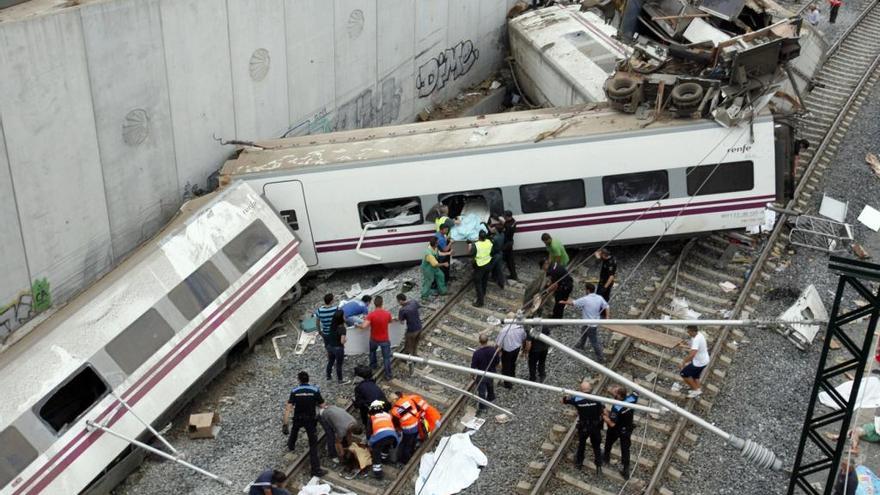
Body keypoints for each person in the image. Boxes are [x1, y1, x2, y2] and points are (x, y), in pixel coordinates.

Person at [282, 371, 326, 477]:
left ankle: (291, 446)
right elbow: (322, 405)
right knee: (313, 445)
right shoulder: (315, 390)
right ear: (308, 379)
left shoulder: (295, 391)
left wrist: (285, 423)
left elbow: (289, 408)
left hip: (298, 418)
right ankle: (315, 470)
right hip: (310, 420)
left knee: (294, 431)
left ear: (299, 380)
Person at [563, 380, 605, 475]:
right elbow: (602, 409)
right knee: (596, 446)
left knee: (582, 444)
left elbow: (563, 400)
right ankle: (598, 467)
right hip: (595, 427)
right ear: (590, 389)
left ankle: (579, 463)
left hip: (584, 427)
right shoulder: (596, 399)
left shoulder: (577, 399)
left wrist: (568, 395)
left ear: (581, 390)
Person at [565, 282, 610, 363]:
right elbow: (606, 306)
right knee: (583, 332)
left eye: (585, 289)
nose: (584, 290)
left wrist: (563, 302)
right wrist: (607, 317)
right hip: (593, 323)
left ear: (588, 290)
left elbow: (573, 303)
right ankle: (581, 345)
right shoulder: (599, 297)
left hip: (589, 323)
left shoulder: (585, 299)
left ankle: (601, 358)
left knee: (594, 341)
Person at [602, 386, 638, 480]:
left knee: (609, 442)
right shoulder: (632, 398)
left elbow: (612, 423)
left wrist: (604, 417)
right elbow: (636, 391)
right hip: (627, 428)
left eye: (614, 392)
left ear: (618, 396)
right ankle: (626, 471)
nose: (613, 393)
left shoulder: (616, 407)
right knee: (625, 449)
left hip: (616, 429)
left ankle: (606, 458)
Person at [358, 296, 393, 379]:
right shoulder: (387, 314)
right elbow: (390, 321)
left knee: (372, 352)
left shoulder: (371, 315)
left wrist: (358, 325)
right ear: (382, 303)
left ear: (374, 304)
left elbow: (364, 326)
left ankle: (373, 366)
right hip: (384, 339)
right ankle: (388, 375)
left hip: (374, 339)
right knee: (386, 358)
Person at [674, 325, 709, 398]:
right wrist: (683, 346)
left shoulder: (696, 339)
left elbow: (692, 354)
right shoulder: (699, 335)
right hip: (704, 360)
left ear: (693, 331)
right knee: (695, 376)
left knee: (684, 374)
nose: (688, 333)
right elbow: (693, 348)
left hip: (699, 362)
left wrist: (683, 362)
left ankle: (696, 390)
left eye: (688, 331)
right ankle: (698, 389)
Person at [353, 365, 387, 438]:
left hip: (373, 411)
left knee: (367, 420)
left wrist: (355, 404)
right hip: (384, 408)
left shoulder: (359, 388)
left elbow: (360, 404)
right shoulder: (373, 383)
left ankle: (370, 436)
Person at [367, 400, 399, 479]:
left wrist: (369, 442)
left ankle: (378, 473)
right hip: (392, 436)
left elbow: (369, 432)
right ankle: (384, 459)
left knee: (376, 452)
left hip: (380, 437)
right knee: (386, 446)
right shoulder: (388, 415)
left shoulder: (372, 418)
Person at [496, 314, 529, 388]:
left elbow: (499, 343)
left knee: (506, 367)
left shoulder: (504, 330)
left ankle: (507, 384)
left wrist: (497, 352)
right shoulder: (520, 327)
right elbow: (524, 337)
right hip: (516, 348)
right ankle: (512, 375)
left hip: (508, 351)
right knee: (513, 362)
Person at [389, 392, 422, 464]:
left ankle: (405, 460)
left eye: (391, 402)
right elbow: (418, 408)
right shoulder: (407, 400)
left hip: (408, 429)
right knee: (413, 440)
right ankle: (412, 451)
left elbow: (395, 424)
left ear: (394, 400)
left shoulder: (394, 411)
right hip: (416, 424)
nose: (391, 404)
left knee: (406, 444)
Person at [471, 332, 500, 412]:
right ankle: (491, 397)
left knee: (482, 391)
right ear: (487, 340)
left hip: (482, 374)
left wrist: (472, 374)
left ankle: (482, 407)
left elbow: (473, 365)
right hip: (491, 372)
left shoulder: (477, 353)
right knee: (490, 384)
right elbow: (497, 361)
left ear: (479, 341)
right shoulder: (493, 350)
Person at [468, 230, 493, 307]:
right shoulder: (489, 242)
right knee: (484, 280)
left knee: (477, 282)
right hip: (488, 263)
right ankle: (483, 293)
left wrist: (469, 246)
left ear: (479, 237)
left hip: (480, 265)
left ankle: (480, 302)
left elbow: (471, 253)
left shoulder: (476, 245)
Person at [420, 237, 449, 301]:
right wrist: (444, 264)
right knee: (428, 282)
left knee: (441, 275)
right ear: (435, 244)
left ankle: (443, 291)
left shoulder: (434, 248)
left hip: (433, 267)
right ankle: (424, 297)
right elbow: (435, 264)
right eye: (438, 242)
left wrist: (448, 253)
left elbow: (439, 253)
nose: (439, 243)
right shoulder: (429, 254)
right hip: (428, 269)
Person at [325, 310, 348, 384]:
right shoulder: (342, 328)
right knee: (339, 365)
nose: (345, 316)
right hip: (338, 349)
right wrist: (346, 339)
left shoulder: (332, 325)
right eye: (344, 315)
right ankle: (340, 380)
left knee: (330, 362)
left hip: (330, 346)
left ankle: (328, 376)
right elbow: (342, 341)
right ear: (341, 318)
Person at [500, 210, 518, 281]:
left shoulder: (508, 226)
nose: (503, 218)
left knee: (508, 260)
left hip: (507, 244)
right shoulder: (513, 221)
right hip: (510, 242)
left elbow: (504, 230)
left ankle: (513, 276)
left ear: (507, 217)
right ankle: (513, 275)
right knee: (509, 260)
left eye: (504, 216)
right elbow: (506, 223)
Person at [488, 221, 507, 289]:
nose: (493, 229)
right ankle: (496, 279)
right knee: (498, 268)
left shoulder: (495, 238)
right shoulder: (502, 234)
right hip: (500, 253)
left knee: (493, 268)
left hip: (495, 255)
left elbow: (491, 246)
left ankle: (501, 283)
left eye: (494, 228)